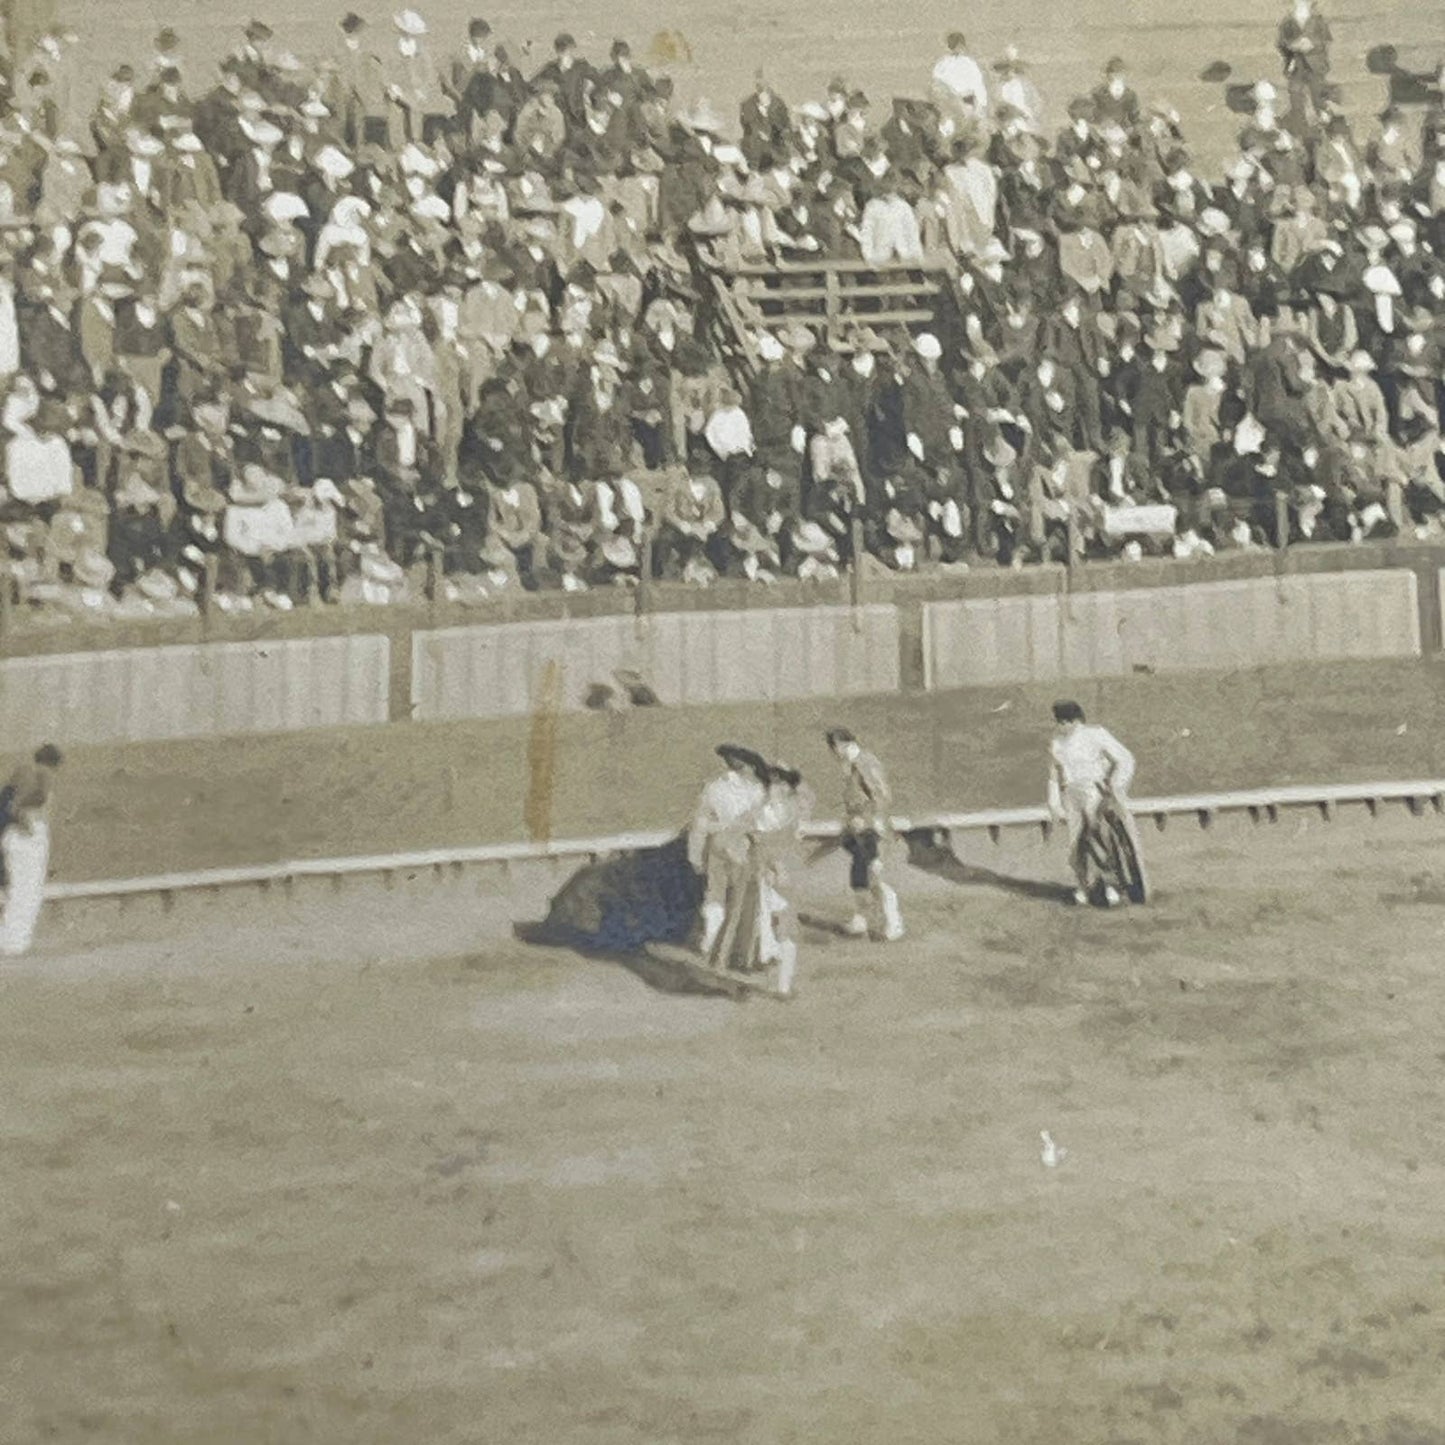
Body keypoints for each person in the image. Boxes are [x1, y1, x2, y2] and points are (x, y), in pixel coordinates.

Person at [1045, 700, 1139, 906]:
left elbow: (1124, 759)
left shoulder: (1095, 734)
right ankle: (1084, 887)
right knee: (1075, 843)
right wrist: (1053, 801)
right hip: (1071, 794)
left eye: (1065, 721)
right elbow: (1054, 773)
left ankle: (1112, 885)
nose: (1061, 726)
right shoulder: (1057, 741)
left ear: (1076, 720)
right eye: (1059, 721)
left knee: (1100, 840)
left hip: (1094, 792)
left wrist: (1115, 787)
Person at [687, 743, 768, 957]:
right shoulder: (757, 790)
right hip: (743, 847)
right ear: (747, 766)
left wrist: (694, 854)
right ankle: (741, 945)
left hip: (719, 844)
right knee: (743, 895)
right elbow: (762, 826)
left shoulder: (714, 787)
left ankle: (711, 940)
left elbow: (700, 824)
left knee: (716, 893)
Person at [825, 727, 904, 941]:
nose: (834, 753)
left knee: (875, 876)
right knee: (859, 875)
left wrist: (865, 818)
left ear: (841, 744)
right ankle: (861, 920)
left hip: (873, 830)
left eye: (834, 748)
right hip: (859, 830)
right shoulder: (852, 765)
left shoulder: (865, 762)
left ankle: (894, 924)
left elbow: (882, 796)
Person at [0, 745, 63, 956]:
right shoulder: (44, 773)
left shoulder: (20, 772)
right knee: (28, 890)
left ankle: (9, 938)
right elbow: (41, 794)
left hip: (13, 835)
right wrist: (19, 809)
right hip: (29, 833)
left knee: (17, 888)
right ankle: (15, 942)